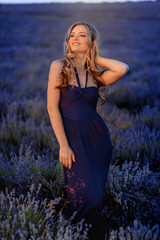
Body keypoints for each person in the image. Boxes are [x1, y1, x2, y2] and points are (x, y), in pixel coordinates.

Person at [47, 22, 129, 238]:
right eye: (72, 35)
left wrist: (92, 58)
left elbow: (122, 68)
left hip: (98, 142)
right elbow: (52, 108)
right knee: (85, 198)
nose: (74, 38)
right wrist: (64, 145)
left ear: (91, 41)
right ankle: (71, 233)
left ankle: (83, 235)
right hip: (73, 142)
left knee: (96, 199)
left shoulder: (95, 75)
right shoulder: (59, 66)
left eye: (82, 35)